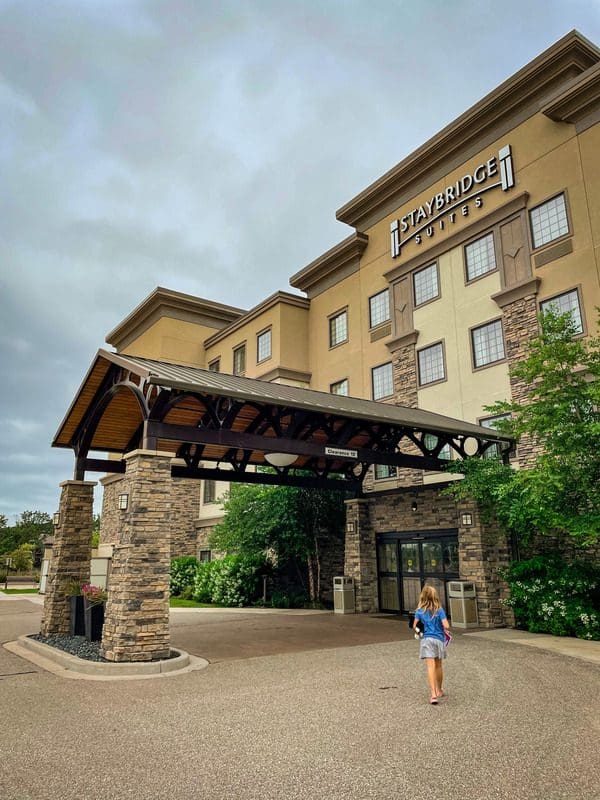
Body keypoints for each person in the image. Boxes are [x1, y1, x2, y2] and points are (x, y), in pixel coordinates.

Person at [413, 584, 451, 705]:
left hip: (426, 640)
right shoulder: (439, 610)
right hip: (438, 640)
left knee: (430, 667)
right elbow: (446, 625)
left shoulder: (419, 611)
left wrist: (420, 631)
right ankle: (440, 690)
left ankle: (433, 694)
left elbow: (415, 626)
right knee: (439, 666)